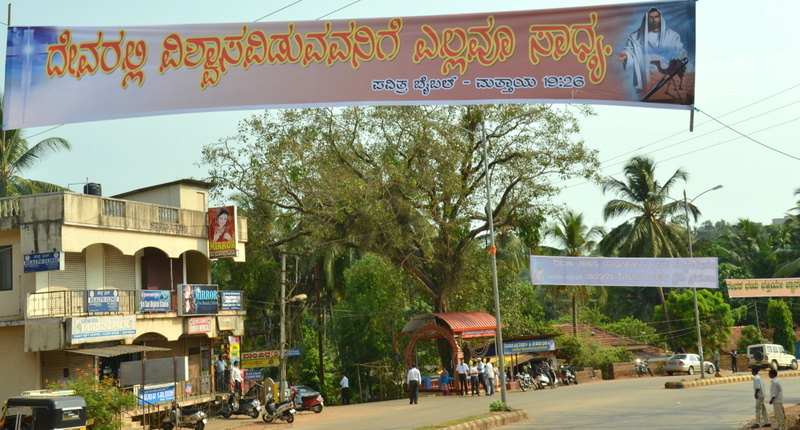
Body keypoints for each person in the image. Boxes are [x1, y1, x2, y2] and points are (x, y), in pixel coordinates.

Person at [616, 7, 690, 92]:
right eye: (651, 17)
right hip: (646, 79)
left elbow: (680, 54)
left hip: (667, 78)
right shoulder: (636, 37)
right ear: (647, 19)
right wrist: (626, 55)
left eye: (656, 17)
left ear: (660, 18)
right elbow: (630, 50)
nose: (654, 20)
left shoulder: (673, 36)